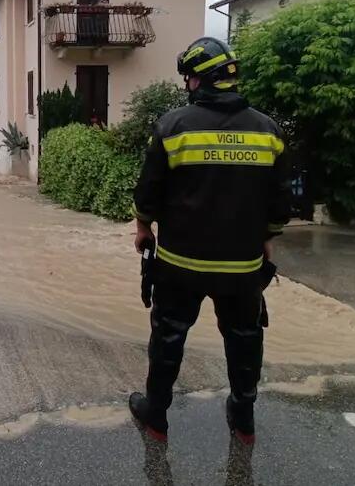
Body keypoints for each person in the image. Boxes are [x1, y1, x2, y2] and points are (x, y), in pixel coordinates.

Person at [128, 36, 291, 446]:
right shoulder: (268, 130)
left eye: (189, 78)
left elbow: (149, 190)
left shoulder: (172, 126)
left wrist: (143, 227)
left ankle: (157, 418)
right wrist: (269, 238)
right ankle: (243, 419)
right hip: (242, 267)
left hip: (180, 263)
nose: (187, 85)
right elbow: (281, 199)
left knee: (168, 337)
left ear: (199, 80)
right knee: (245, 339)